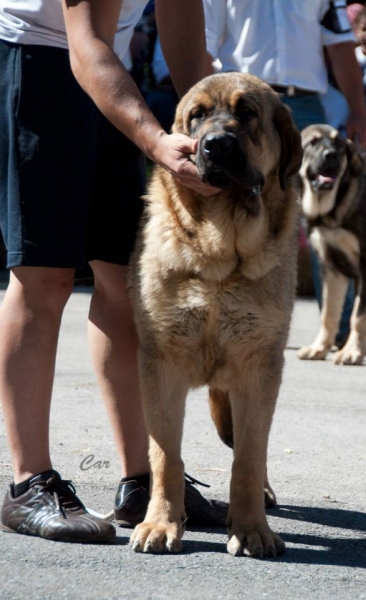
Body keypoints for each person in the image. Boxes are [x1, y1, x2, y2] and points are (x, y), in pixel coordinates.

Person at [0, 0, 226, 544]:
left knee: (127, 281)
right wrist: (155, 142)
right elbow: (85, 43)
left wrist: (208, 124)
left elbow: (180, 21)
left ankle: (144, 478)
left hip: (111, 75)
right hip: (36, 62)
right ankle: (29, 482)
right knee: (44, 276)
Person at [203, 0, 366, 349]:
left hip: (308, 105)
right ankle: (225, 324)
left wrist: (358, 109)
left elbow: (339, 43)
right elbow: (202, 42)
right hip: (243, 107)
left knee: (328, 217)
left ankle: (340, 331)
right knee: (233, 211)